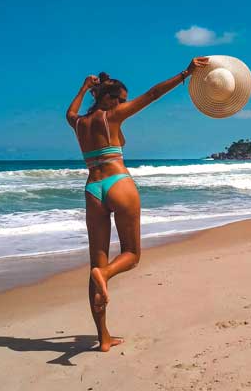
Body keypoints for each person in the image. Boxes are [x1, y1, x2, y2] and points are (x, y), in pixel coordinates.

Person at [65, 57, 209, 351]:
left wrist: (83, 88)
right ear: (108, 98)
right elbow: (153, 94)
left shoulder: (78, 123)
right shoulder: (112, 116)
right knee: (131, 254)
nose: (123, 104)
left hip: (93, 189)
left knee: (96, 262)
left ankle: (103, 338)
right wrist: (186, 72)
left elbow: (70, 111)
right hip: (119, 183)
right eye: (120, 100)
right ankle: (104, 275)